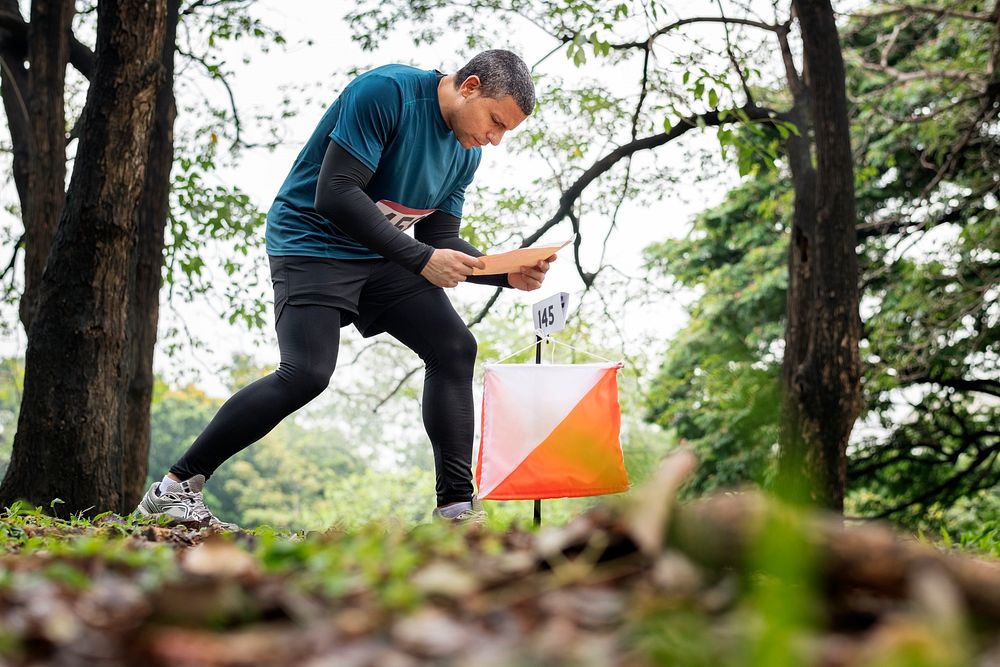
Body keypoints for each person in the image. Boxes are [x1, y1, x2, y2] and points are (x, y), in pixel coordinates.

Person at [136, 50, 554, 530]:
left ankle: (456, 510)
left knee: (454, 347)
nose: (495, 140)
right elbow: (334, 191)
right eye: (495, 122)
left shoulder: (465, 153)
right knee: (306, 373)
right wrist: (421, 259)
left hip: (382, 255)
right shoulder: (387, 93)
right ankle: (173, 490)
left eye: (505, 132)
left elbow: (439, 239)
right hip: (312, 241)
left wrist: (504, 275)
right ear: (470, 86)